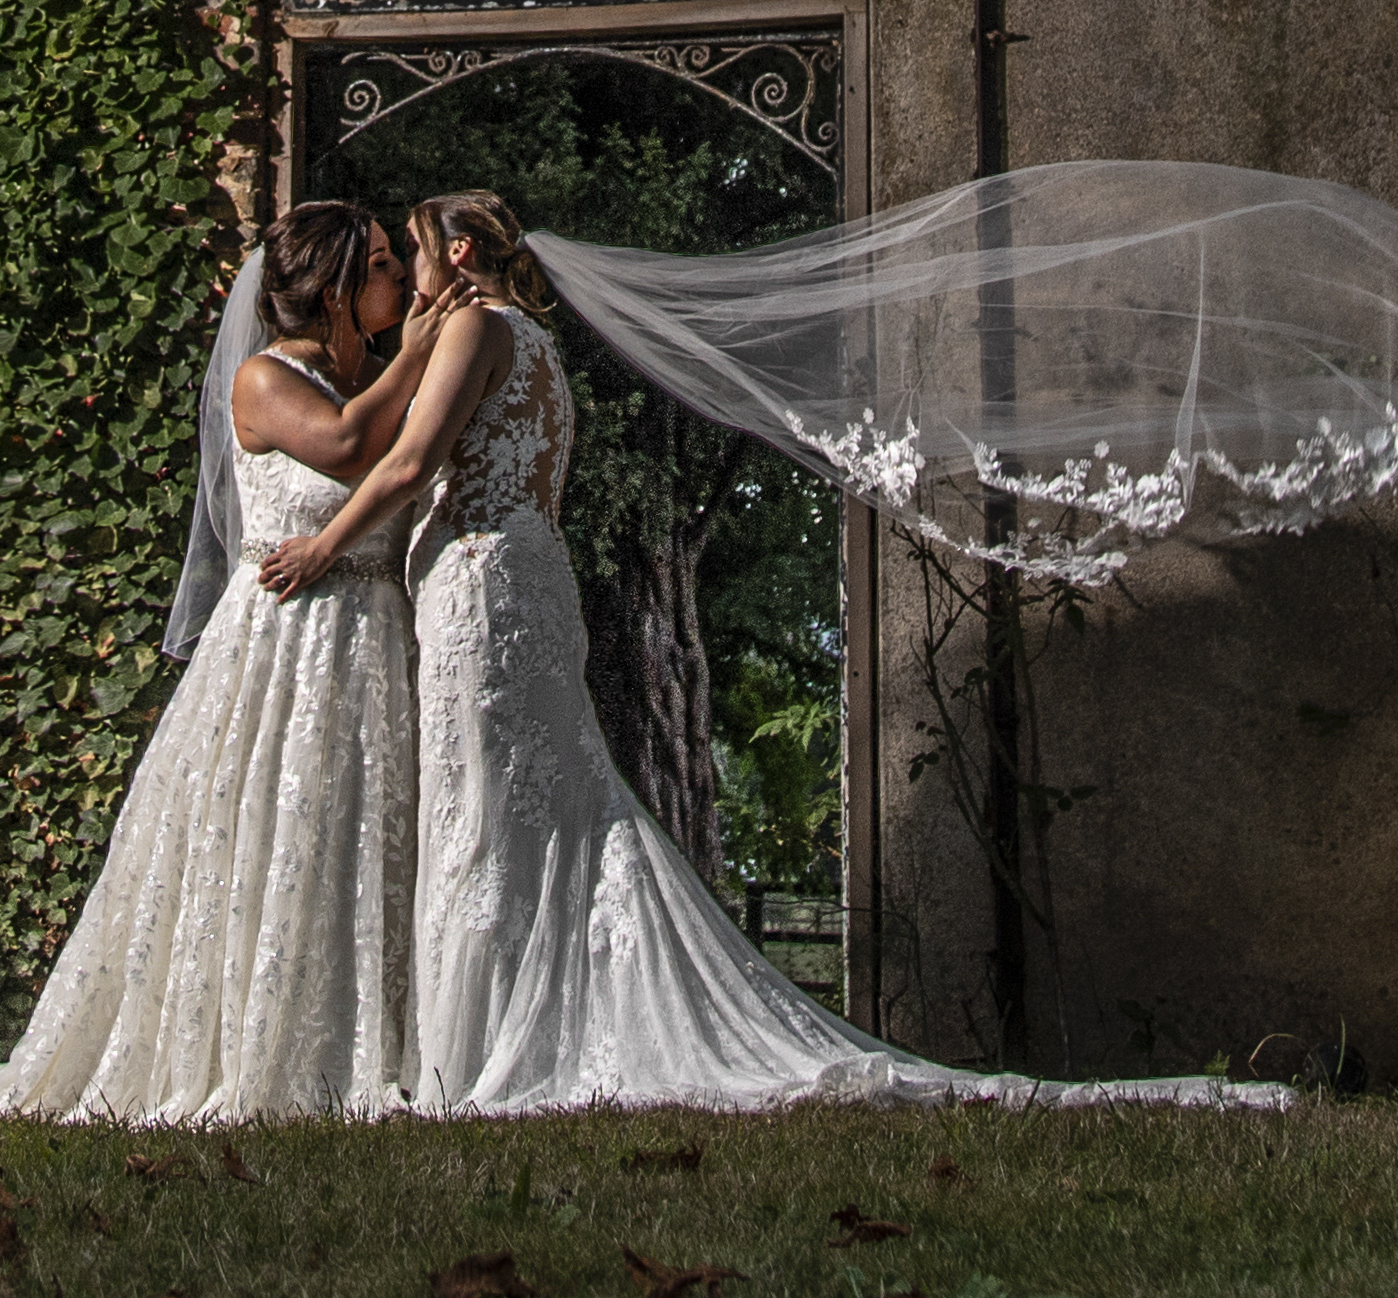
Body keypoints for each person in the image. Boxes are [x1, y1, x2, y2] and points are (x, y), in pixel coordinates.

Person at [262, 192, 1266, 1113]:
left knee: (484, 809)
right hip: (528, 577)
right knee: (544, 803)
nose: (407, 278)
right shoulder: (535, 345)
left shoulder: (473, 326)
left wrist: (320, 545)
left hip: (482, 586)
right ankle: (518, 1023)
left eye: (413, 254)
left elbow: (402, 463)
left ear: (459, 251)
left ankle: (476, 1050)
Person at [0, 201, 457, 1119]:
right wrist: (421, 356)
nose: (400, 279)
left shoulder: (378, 378)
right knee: (275, 842)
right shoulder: (265, 382)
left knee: (355, 843)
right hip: (285, 650)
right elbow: (348, 446)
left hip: (368, 645)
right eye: (384, 264)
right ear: (336, 288)